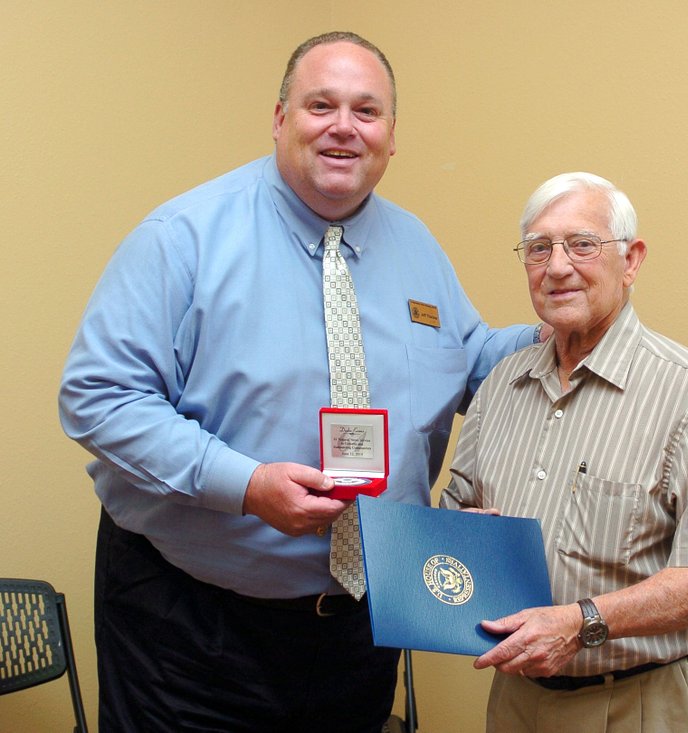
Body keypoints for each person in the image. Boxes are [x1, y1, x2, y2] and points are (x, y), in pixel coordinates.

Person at [58, 31, 543, 733]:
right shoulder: (182, 238)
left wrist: (557, 329)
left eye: (366, 111)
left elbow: (471, 365)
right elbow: (98, 397)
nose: (344, 126)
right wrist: (247, 485)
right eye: (322, 105)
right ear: (281, 118)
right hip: (191, 624)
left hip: (355, 626)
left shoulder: (416, 248)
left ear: (392, 137)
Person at [440, 172, 688, 733]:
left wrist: (582, 622)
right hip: (515, 698)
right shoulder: (499, 387)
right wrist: (461, 534)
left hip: (639, 702)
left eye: (582, 244)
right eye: (539, 248)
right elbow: (451, 512)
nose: (557, 266)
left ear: (631, 260)